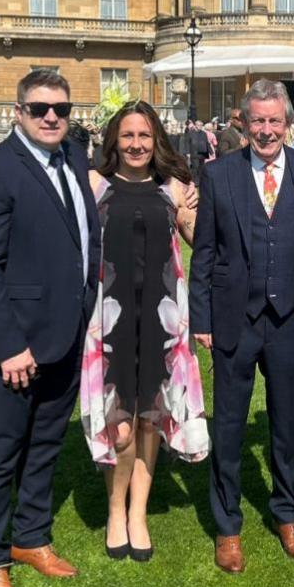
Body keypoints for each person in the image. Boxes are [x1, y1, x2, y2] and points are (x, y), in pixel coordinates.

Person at [0, 69, 100, 587]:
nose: (51, 117)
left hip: (66, 335)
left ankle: (31, 536)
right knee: (0, 453)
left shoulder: (72, 160)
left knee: (45, 447)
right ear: (17, 111)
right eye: (40, 108)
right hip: (14, 348)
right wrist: (9, 345)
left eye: (61, 109)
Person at [190, 79, 294, 574]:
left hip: (289, 318)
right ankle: (228, 526)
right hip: (234, 317)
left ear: (287, 124)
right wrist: (201, 317)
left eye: (275, 121)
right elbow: (204, 252)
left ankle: (286, 513)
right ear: (243, 122)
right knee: (229, 425)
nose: (267, 130)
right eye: (258, 121)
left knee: (284, 424)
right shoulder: (219, 173)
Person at [80, 100, 208, 563]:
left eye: (145, 136)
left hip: (162, 318)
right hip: (109, 320)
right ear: (114, 140)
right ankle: (116, 510)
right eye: (128, 136)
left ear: (157, 143)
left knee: (151, 417)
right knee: (118, 419)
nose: (136, 144)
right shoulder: (93, 185)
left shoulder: (173, 187)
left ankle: (139, 513)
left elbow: (199, 240)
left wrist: (193, 206)